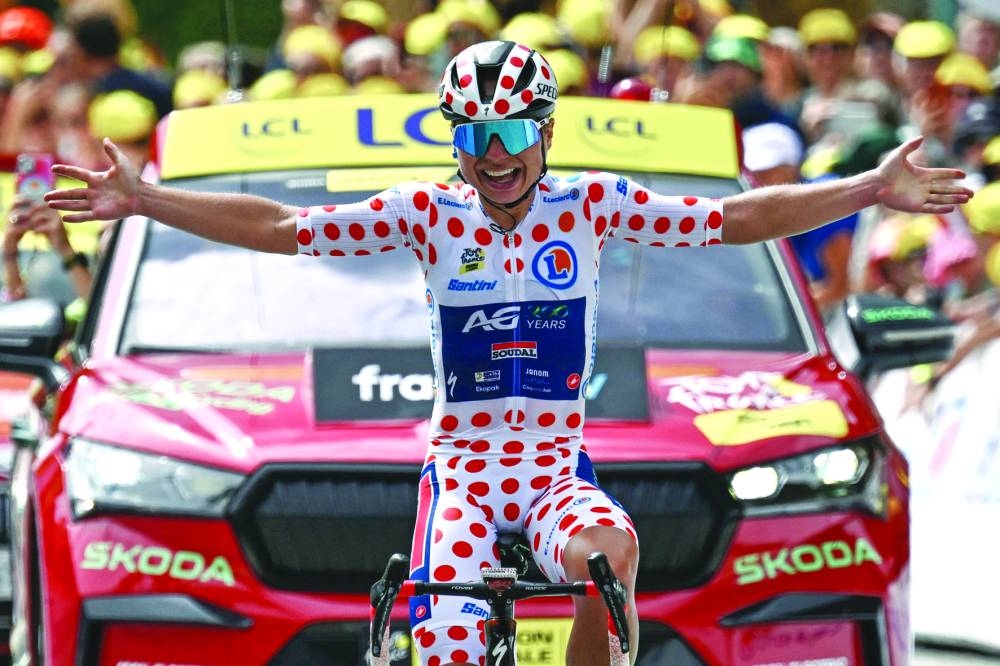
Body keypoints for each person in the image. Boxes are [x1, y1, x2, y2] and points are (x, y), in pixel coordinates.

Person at [44, 39, 973, 666]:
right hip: (465, 472)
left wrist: (865, 189)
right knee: (450, 644)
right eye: (477, 137)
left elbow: (739, 219)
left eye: (514, 135)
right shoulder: (426, 213)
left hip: (552, 466)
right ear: (457, 140)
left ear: (545, 133)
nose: (496, 158)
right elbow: (284, 226)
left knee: (609, 554)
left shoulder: (591, 206)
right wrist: (148, 201)